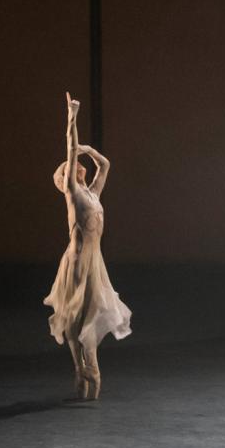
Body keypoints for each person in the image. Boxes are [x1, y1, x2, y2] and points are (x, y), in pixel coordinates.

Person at [45, 94, 132, 400]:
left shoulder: (93, 192)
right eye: (71, 168)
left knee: (94, 313)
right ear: (65, 178)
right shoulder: (72, 193)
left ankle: (89, 367)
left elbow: (105, 164)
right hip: (78, 258)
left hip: (95, 260)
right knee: (74, 315)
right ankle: (80, 367)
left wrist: (89, 149)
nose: (78, 166)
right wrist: (72, 115)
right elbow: (70, 151)